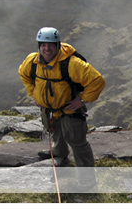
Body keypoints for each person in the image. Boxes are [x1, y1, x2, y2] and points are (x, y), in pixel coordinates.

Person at [18, 27, 105, 189]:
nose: (47, 49)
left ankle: (87, 180)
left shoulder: (71, 64)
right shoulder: (33, 61)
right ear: (39, 46)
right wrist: (34, 94)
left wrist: (82, 100)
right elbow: (23, 75)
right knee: (54, 132)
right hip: (48, 109)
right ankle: (60, 154)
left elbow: (97, 81)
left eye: (50, 45)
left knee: (77, 142)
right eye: (43, 45)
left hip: (69, 109)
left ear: (58, 45)